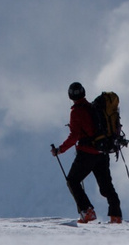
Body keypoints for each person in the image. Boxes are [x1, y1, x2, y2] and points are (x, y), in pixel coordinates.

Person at [52, 82, 121, 224]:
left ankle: (87, 211)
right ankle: (116, 215)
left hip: (87, 153)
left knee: (72, 180)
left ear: (70, 96)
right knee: (106, 186)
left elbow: (74, 136)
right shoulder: (93, 107)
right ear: (84, 92)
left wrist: (60, 150)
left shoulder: (76, 111)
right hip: (102, 152)